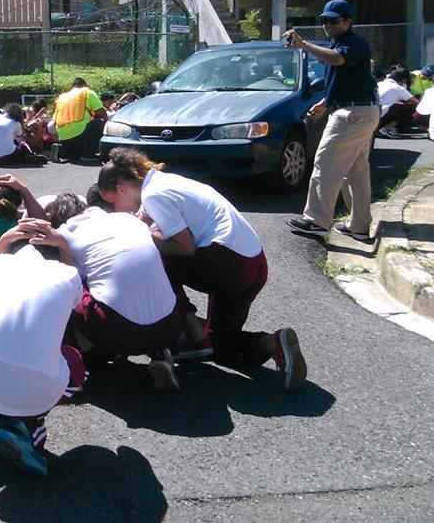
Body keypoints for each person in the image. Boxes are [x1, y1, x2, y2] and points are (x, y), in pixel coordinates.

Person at [97, 148, 307, 393]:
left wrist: (141, 235)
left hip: (229, 265)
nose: (117, 209)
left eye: (113, 203)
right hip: (254, 264)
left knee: (148, 255)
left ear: (121, 188)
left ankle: (190, 331)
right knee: (221, 346)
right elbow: (158, 223)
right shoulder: (164, 181)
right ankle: (273, 343)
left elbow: (184, 248)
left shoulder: (154, 195)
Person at [0, 237, 86, 476]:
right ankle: (25, 427)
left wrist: (4, 238)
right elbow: (76, 302)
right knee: (74, 364)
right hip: (32, 392)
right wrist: (64, 247)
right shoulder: (65, 274)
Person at [47, 194, 184, 390]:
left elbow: (72, 280)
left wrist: (62, 249)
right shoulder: (128, 220)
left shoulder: (66, 234)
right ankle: (160, 350)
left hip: (118, 330)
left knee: (69, 288)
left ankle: (81, 356)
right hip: (169, 325)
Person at [284, 0, 379, 241]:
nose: (327, 25)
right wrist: (325, 103)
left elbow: (337, 59)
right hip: (357, 110)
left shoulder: (354, 42)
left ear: (348, 21)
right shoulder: (340, 42)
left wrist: (304, 44)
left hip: (353, 115)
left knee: (325, 162)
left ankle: (316, 221)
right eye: (324, 20)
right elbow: (345, 82)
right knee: (354, 171)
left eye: (333, 21)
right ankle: (359, 226)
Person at [52, 78, 107, 162]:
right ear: (84, 85)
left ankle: (61, 150)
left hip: (63, 135)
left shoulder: (62, 97)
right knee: (101, 122)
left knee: (74, 155)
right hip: (79, 133)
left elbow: (54, 120)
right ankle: (88, 154)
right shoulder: (87, 92)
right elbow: (102, 114)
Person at [376, 68, 419, 138]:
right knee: (413, 108)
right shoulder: (398, 88)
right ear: (404, 80)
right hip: (382, 116)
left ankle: (379, 128)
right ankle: (387, 128)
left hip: (372, 116)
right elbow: (417, 103)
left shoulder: (379, 84)